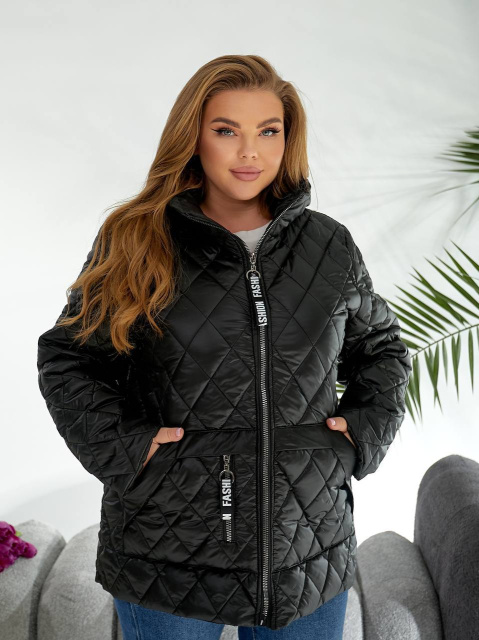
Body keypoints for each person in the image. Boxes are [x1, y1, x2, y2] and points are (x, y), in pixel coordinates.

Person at [37, 54, 412, 639]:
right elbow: (70, 357)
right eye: (226, 131)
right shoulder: (137, 238)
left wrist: (362, 433)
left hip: (307, 552)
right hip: (166, 553)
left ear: (288, 139)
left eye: (269, 131)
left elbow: (382, 349)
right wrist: (127, 448)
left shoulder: (328, 246)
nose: (250, 152)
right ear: (194, 137)